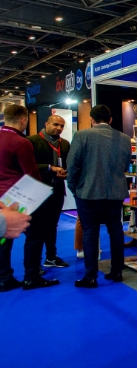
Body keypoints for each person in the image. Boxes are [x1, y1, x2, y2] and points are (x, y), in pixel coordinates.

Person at [68, 105, 132, 288]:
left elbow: (72, 165)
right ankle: (117, 271)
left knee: (90, 232)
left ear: (91, 119)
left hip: (88, 192)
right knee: (116, 230)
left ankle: (90, 276)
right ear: (110, 119)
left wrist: (74, 187)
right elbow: (126, 165)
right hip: (115, 192)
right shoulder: (125, 139)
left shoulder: (82, 135)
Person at [0, 104, 60, 292]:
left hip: (2, 199)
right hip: (21, 198)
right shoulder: (21, 143)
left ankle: (4, 278)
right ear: (23, 120)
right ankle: (31, 277)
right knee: (34, 237)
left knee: (3, 239)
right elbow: (32, 174)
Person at [27, 114, 70, 269]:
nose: (58, 128)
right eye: (55, 124)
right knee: (35, 229)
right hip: (37, 191)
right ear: (46, 124)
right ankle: (34, 264)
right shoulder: (31, 141)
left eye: (61, 126)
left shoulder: (64, 144)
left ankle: (51, 257)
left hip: (57, 190)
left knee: (52, 226)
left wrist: (65, 172)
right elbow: (28, 167)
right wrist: (50, 168)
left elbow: (67, 165)